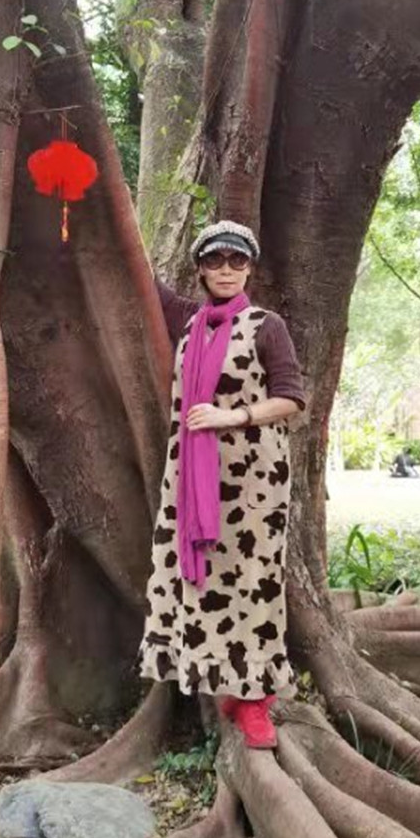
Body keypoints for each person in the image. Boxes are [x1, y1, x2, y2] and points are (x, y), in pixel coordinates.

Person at [139, 220, 305, 749]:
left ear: (250, 268)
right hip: (191, 477)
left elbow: (292, 399)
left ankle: (255, 699)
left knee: (253, 583)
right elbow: (134, 268)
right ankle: (217, 681)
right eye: (215, 260)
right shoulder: (189, 322)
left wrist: (231, 416)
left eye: (238, 260)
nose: (227, 270)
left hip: (252, 484)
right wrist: (81, 197)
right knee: (202, 582)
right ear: (201, 269)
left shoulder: (265, 326)